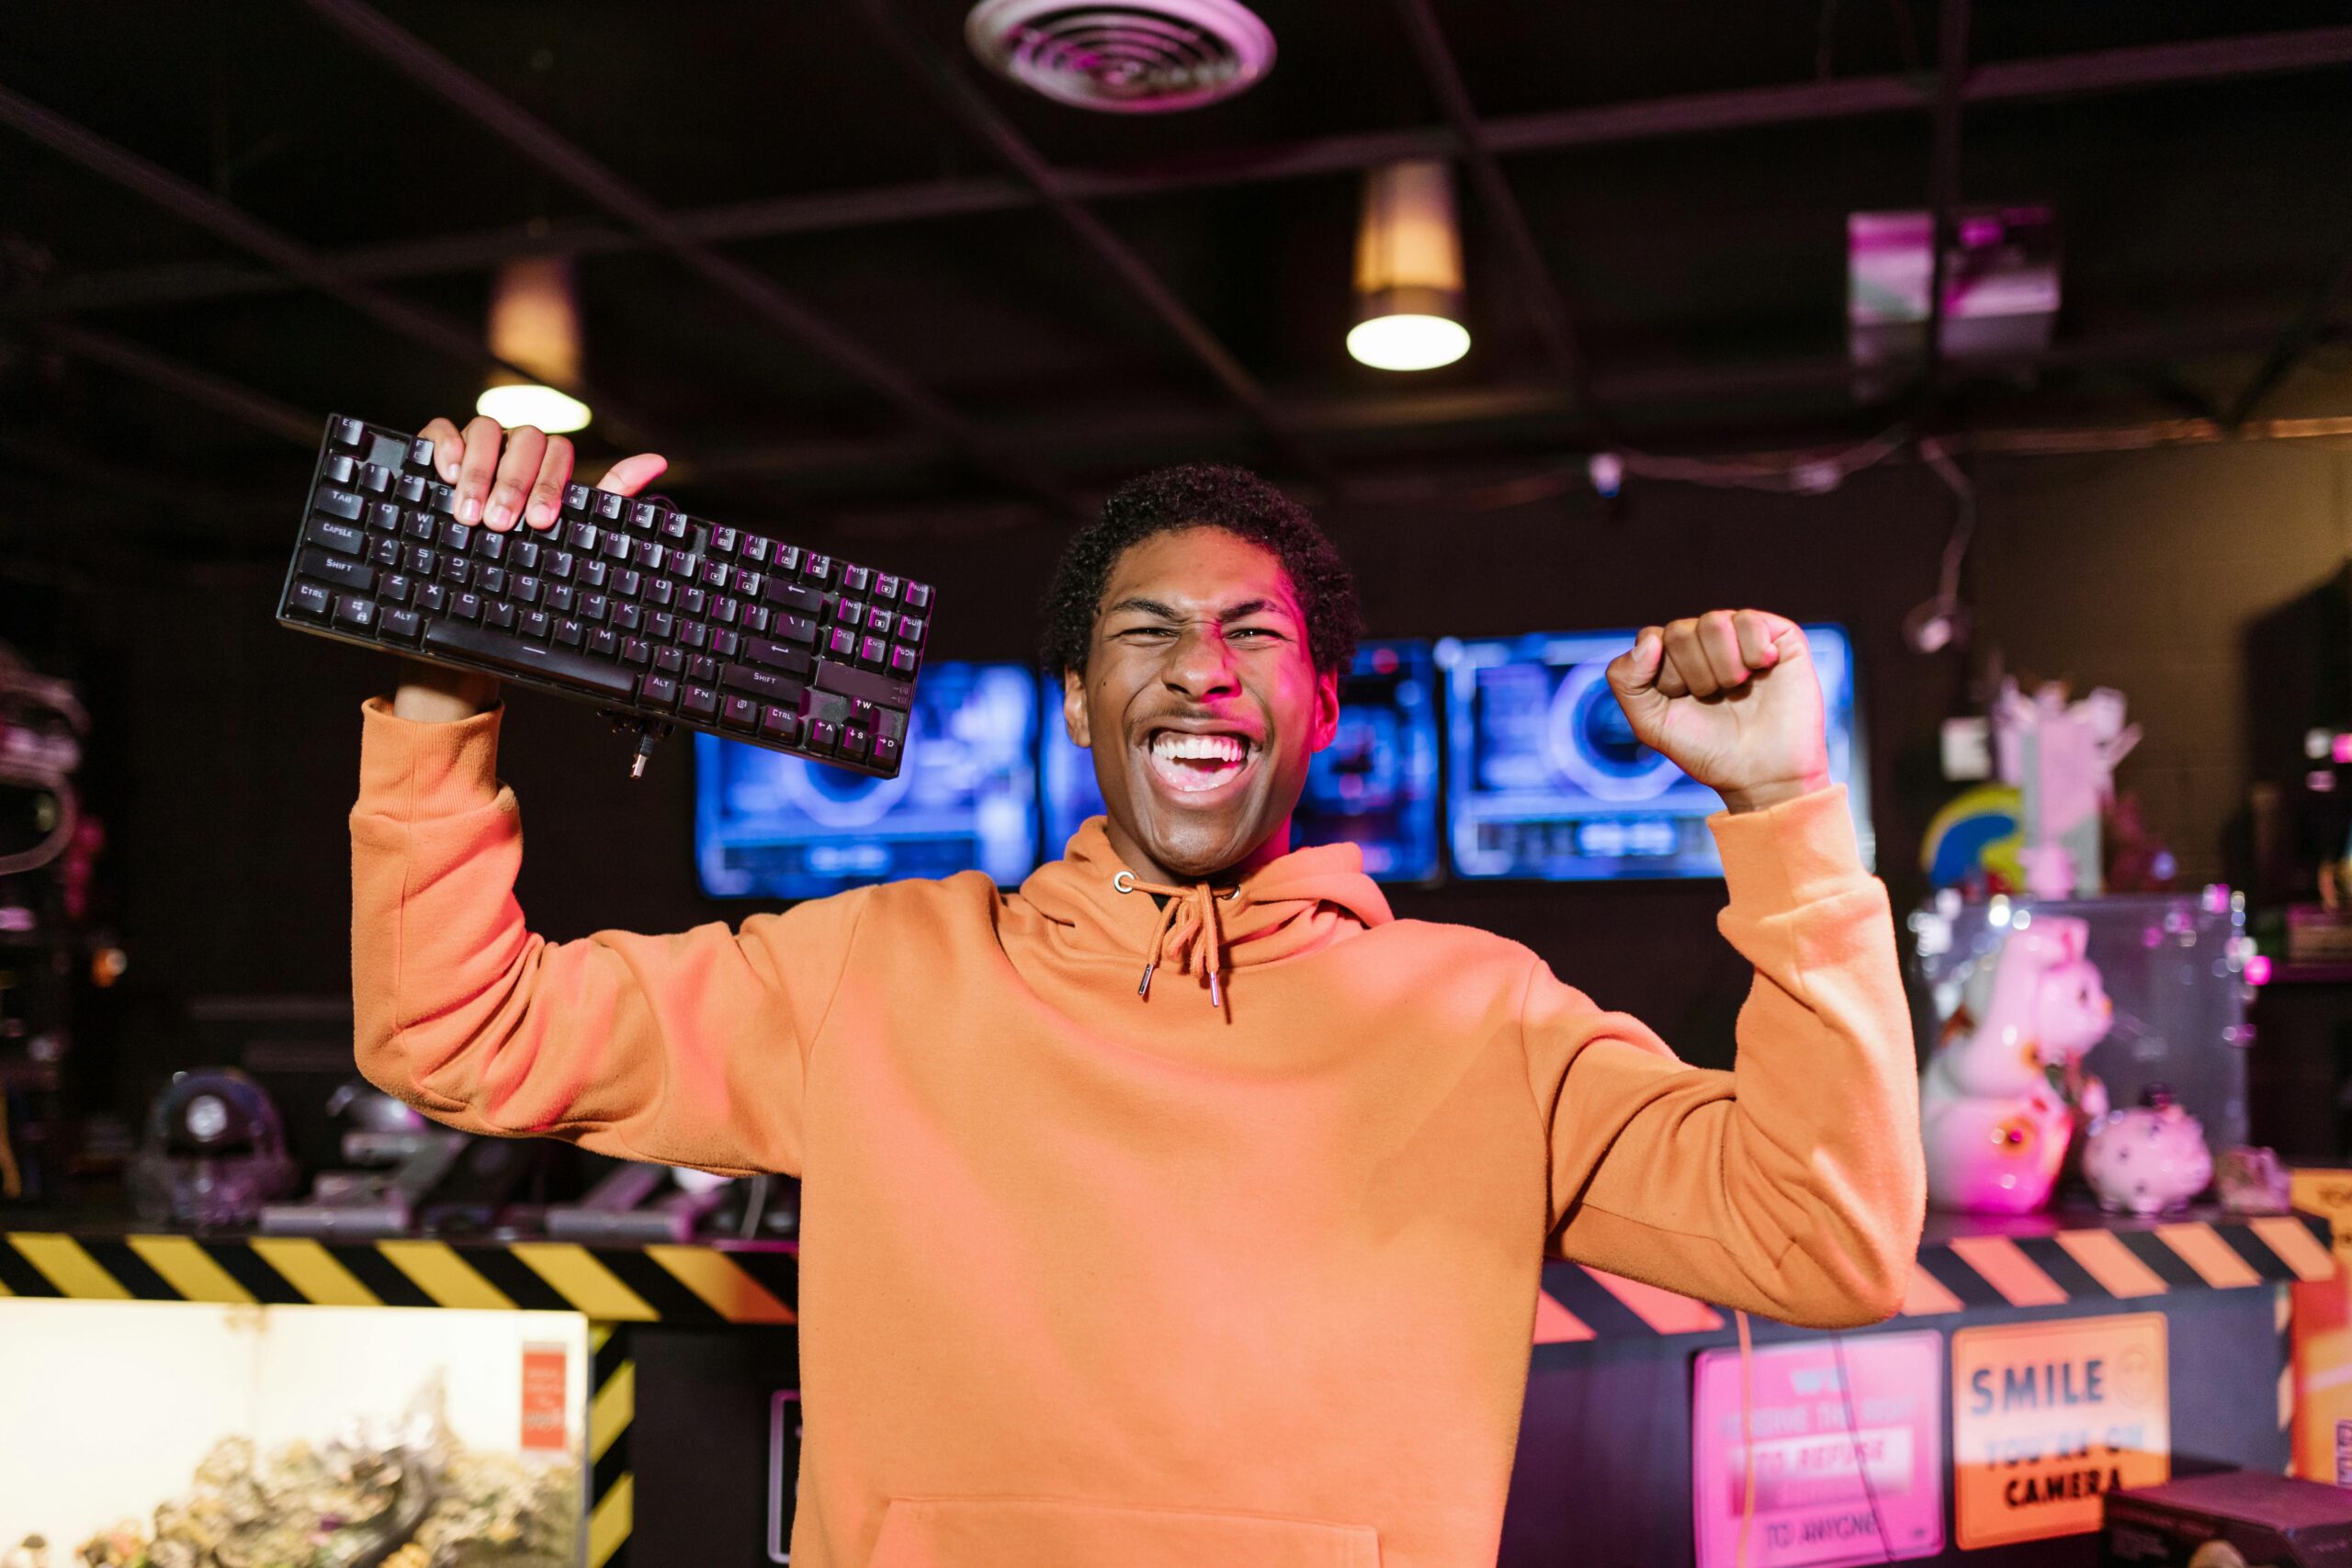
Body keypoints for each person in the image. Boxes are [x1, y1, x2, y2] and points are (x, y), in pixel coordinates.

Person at [356, 416, 1924, 1568]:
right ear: (1080, 705)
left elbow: (1829, 1240)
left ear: (1318, 710)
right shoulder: (876, 970)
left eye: (1257, 638)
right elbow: (457, 1033)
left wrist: (1786, 810)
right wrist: (449, 673)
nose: (1202, 669)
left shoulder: (1487, 1018)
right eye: (1148, 633)